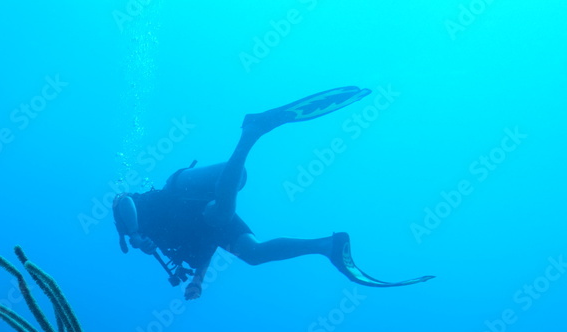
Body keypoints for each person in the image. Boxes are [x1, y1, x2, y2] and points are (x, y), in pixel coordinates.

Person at [113, 86, 434, 299]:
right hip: (206, 216)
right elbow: (206, 246)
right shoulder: (166, 246)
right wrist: (198, 279)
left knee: (233, 182)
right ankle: (328, 246)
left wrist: (135, 233)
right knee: (252, 254)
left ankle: (250, 133)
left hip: (179, 189)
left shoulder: (133, 220)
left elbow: (122, 199)